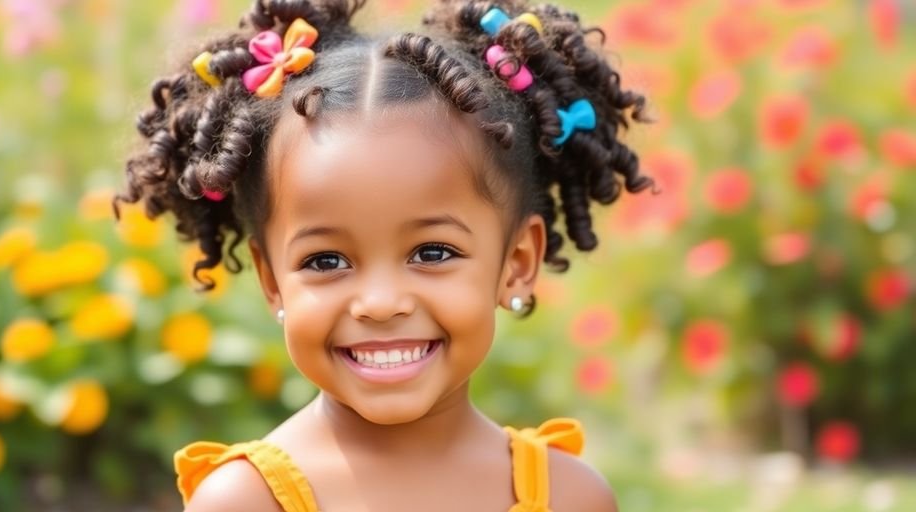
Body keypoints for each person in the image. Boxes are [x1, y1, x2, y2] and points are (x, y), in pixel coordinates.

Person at [115, 0, 653, 509]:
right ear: (272, 280)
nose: (379, 302)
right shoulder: (246, 503)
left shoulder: (571, 498)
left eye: (432, 252)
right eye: (326, 261)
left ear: (516, 263)